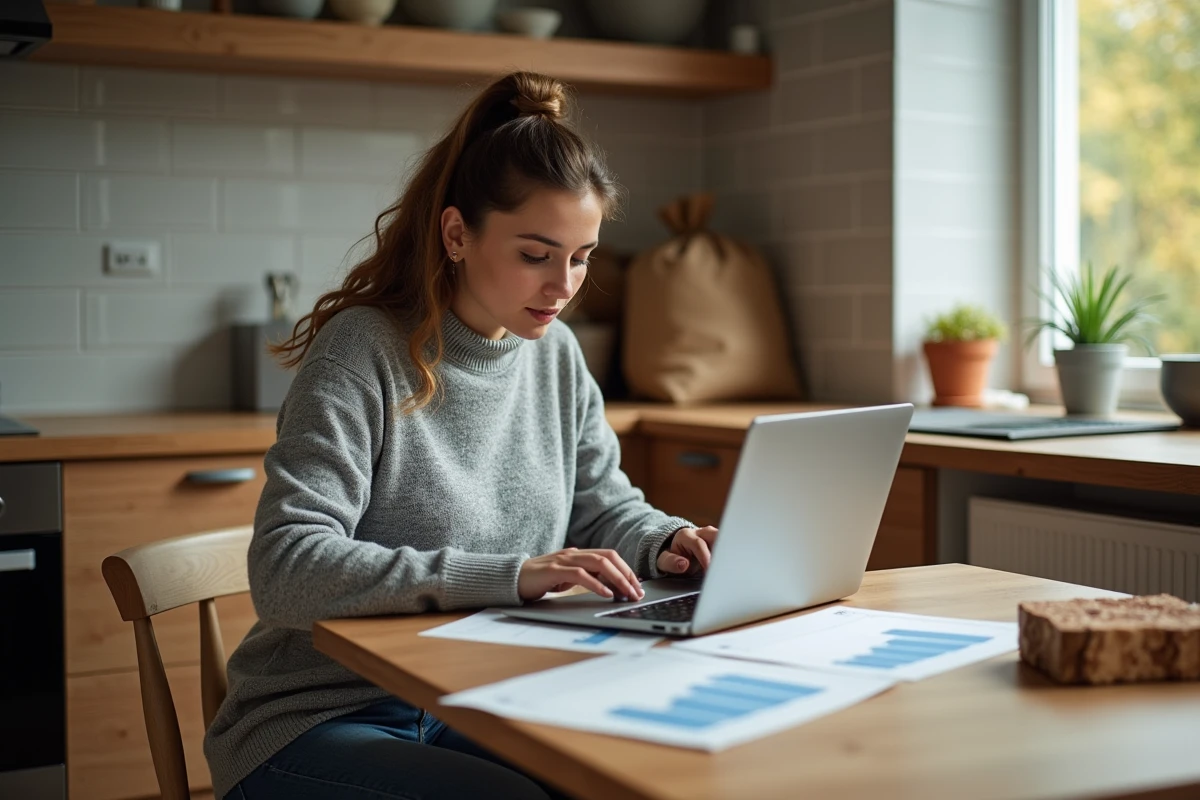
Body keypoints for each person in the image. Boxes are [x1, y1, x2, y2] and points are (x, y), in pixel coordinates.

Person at [203, 70, 719, 800]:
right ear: (456, 234)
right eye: (536, 254)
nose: (563, 285)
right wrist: (507, 576)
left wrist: (665, 541)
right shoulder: (363, 351)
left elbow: (602, 507)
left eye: (582, 256)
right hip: (316, 718)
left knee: (627, 774)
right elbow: (286, 569)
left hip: (471, 698)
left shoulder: (555, 354)